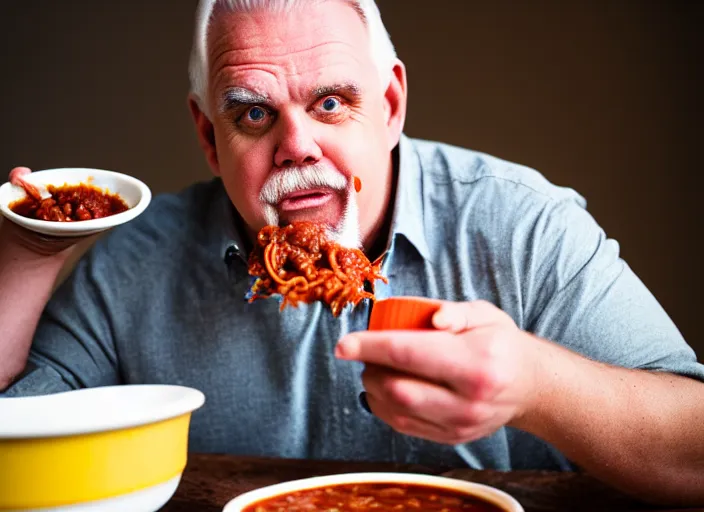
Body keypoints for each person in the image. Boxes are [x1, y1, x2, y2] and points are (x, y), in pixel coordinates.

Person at [1, 0, 703, 505]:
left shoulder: (522, 225)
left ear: (392, 104)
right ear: (210, 139)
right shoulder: (132, 266)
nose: (298, 145)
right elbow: (13, 448)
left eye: (332, 103)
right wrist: (28, 251)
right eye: (253, 113)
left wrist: (537, 385)